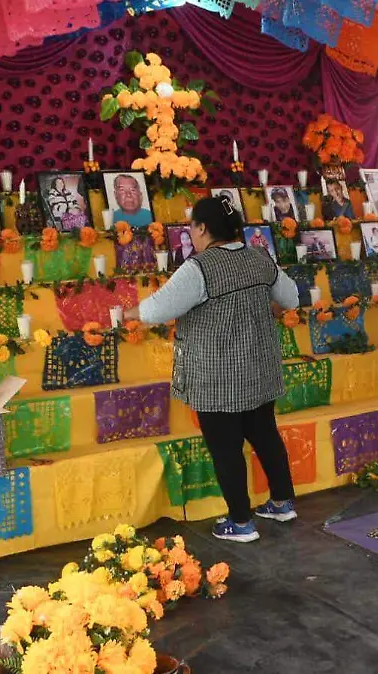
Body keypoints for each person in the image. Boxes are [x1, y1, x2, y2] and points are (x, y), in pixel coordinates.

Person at [128, 195, 300, 543]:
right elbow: (293, 298)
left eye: (192, 225)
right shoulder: (259, 257)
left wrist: (130, 314)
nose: (191, 232)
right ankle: (282, 503)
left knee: (226, 448)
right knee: (265, 435)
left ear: (203, 228)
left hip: (217, 376)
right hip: (260, 370)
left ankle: (240, 522)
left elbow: (157, 311)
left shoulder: (200, 267)